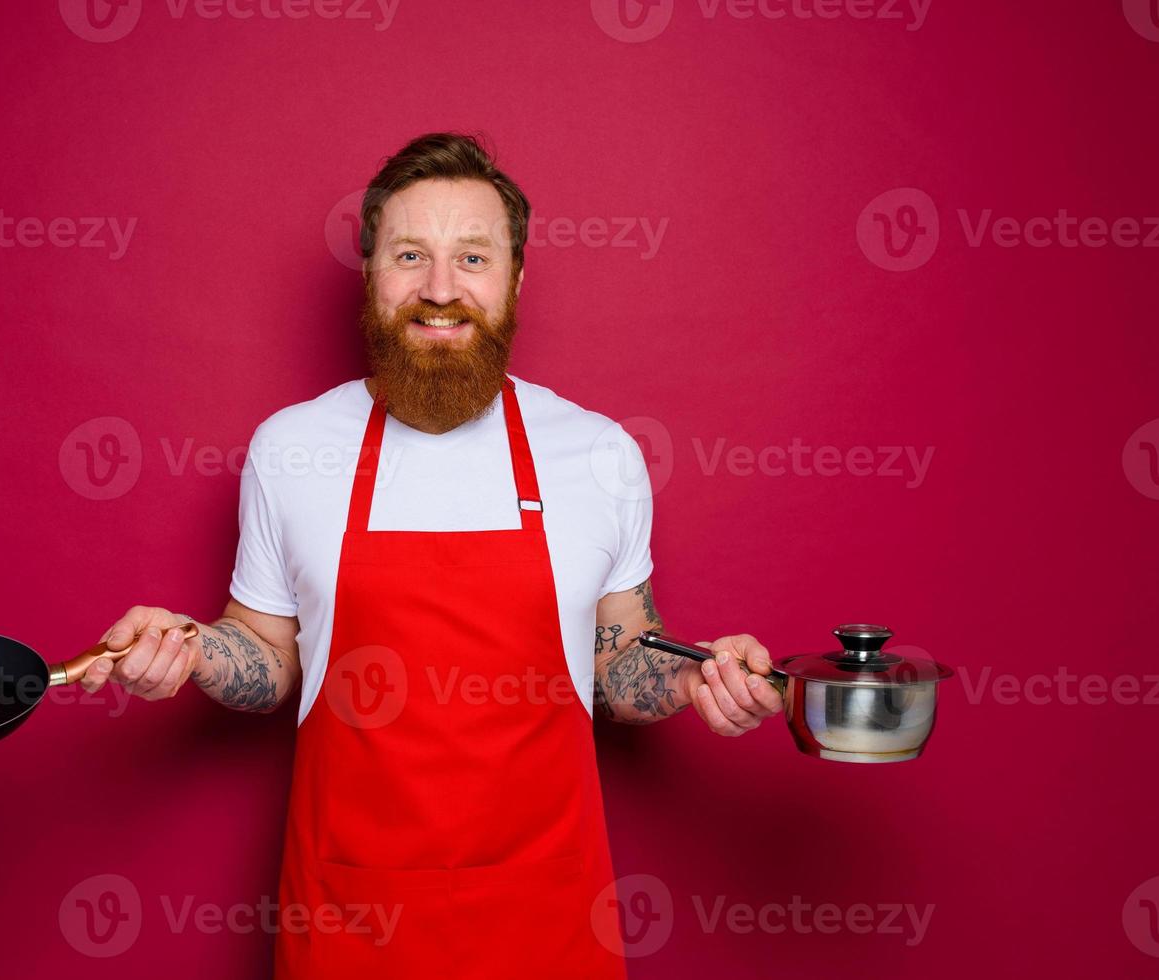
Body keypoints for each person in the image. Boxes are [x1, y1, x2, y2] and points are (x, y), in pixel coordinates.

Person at [79, 132, 782, 979]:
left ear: (516, 279)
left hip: (548, 914)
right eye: (410, 255)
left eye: (473, 257)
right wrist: (188, 650)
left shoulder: (598, 454)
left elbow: (619, 657)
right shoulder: (292, 448)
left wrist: (695, 675)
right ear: (372, 273)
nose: (440, 290)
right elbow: (266, 655)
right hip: (351, 915)